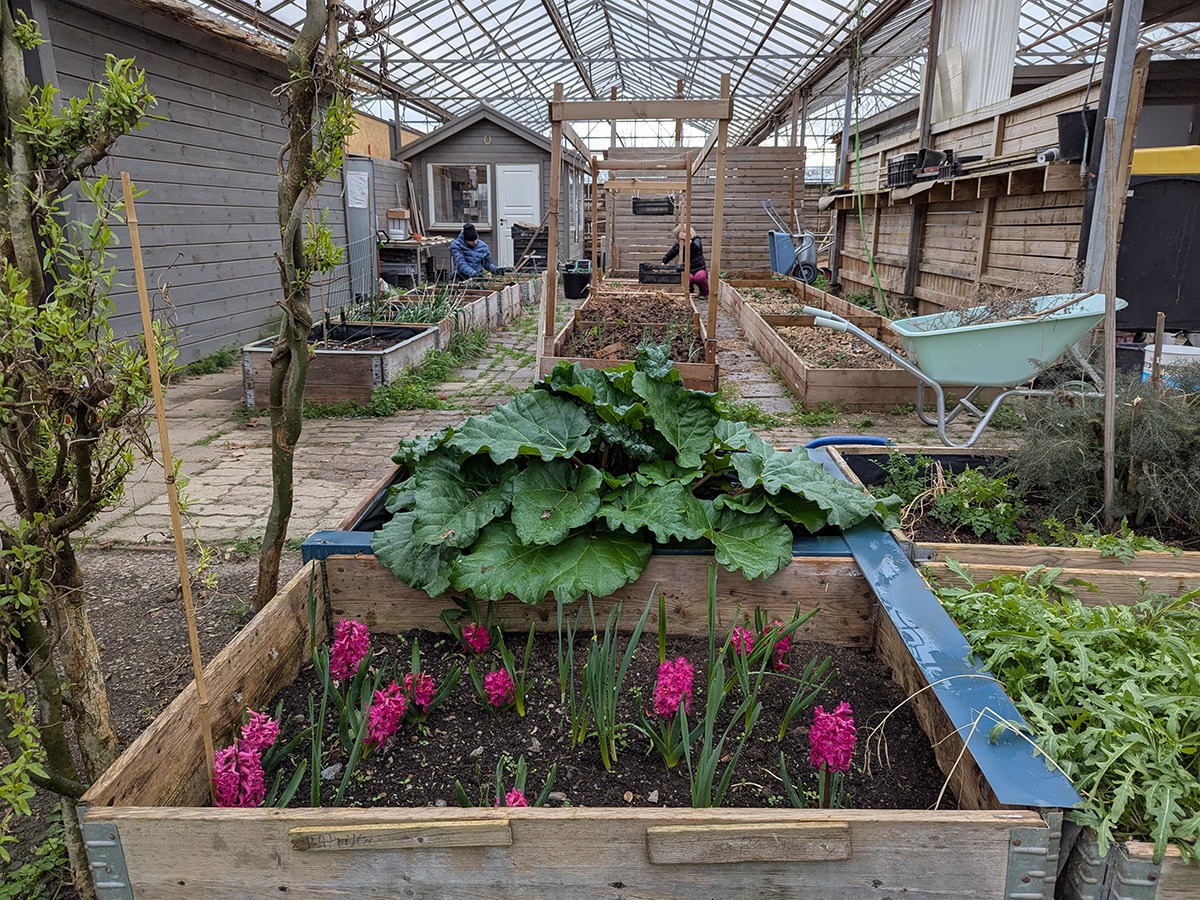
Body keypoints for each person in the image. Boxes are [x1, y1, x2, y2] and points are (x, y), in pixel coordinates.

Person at [662, 226, 708, 297]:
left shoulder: (696, 239)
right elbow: (671, 253)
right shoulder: (679, 245)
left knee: (700, 277)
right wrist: (664, 261)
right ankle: (690, 290)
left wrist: (689, 242)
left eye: (685, 232)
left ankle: (704, 292)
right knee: (688, 278)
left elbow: (696, 246)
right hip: (687, 269)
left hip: (699, 268)